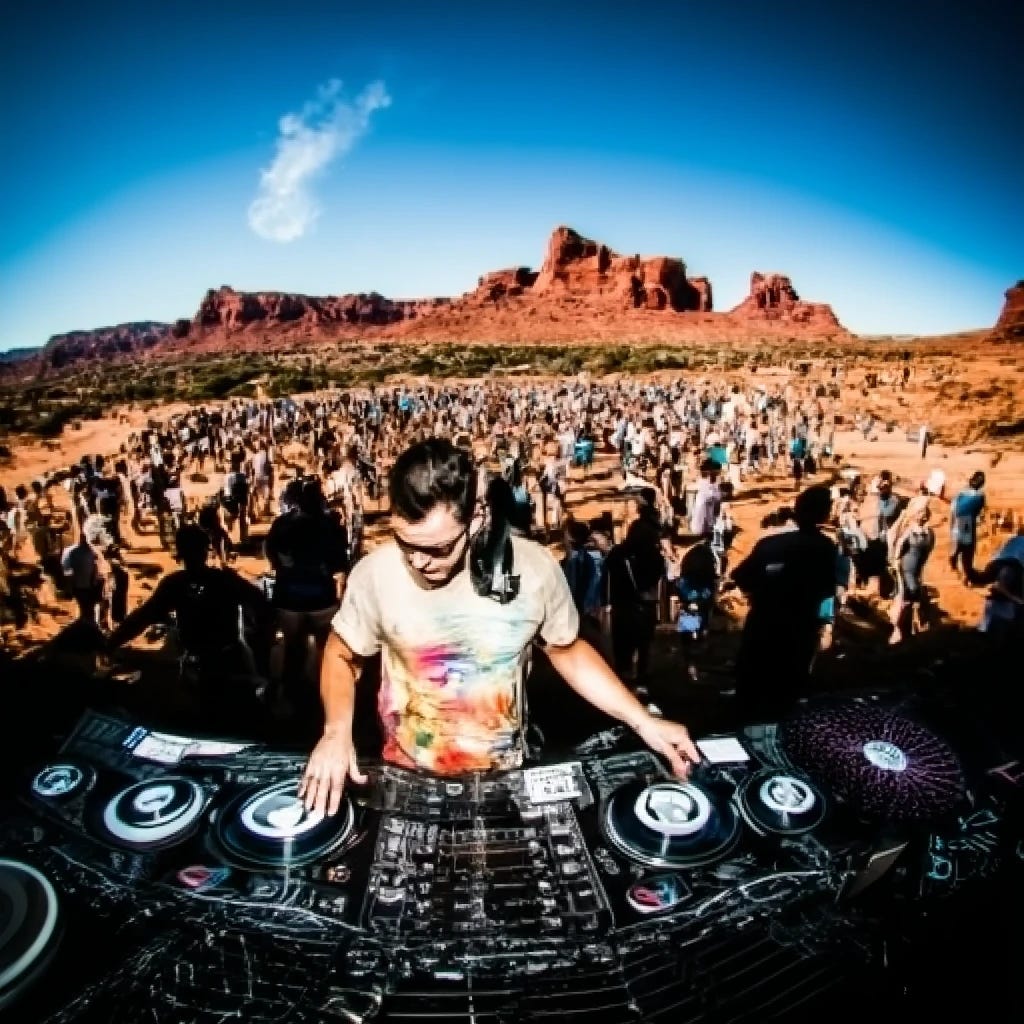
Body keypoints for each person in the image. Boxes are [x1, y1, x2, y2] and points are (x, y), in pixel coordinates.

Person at [300, 438, 698, 816]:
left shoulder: (535, 568)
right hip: (408, 774)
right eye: (406, 544)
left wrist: (643, 722)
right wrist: (336, 731)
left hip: (506, 775)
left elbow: (568, 652)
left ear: (476, 517)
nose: (418, 562)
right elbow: (341, 653)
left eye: (437, 548)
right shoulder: (376, 574)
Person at [106, 525, 273, 729]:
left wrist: (111, 643)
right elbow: (261, 606)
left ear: (180, 553)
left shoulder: (174, 584)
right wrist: (260, 649)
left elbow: (142, 618)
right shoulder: (224, 579)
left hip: (197, 665)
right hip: (231, 659)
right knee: (245, 720)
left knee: (201, 721)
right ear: (207, 550)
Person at [731, 486, 838, 723]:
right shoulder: (826, 549)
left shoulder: (770, 544)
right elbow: (827, 589)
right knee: (785, 697)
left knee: (749, 691)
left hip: (762, 624)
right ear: (825, 514)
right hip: (798, 630)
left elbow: (741, 576)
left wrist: (761, 592)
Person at [887, 495, 935, 645]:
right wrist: (895, 561)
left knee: (916, 593)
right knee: (910, 592)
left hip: (917, 569)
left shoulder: (929, 533)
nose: (923, 515)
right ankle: (901, 628)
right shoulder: (909, 531)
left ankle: (912, 626)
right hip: (905, 568)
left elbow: (928, 550)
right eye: (921, 512)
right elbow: (899, 545)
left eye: (925, 512)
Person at [949, 471, 986, 585]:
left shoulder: (961, 493)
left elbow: (953, 509)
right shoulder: (980, 496)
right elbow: (979, 512)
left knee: (956, 549)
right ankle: (965, 575)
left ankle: (955, 567)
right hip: (968, 523)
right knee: (967, 551)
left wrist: (951, 524)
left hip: (960, 521)